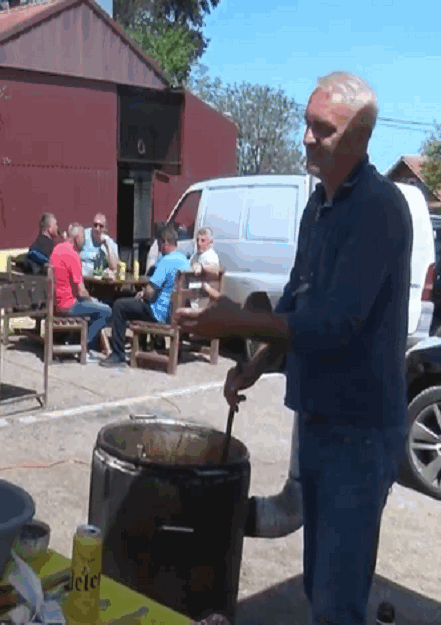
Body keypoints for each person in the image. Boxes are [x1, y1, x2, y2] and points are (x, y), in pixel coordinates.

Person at [178, 71, 409, 625]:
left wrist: (236, 321)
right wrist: (255, 364)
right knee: (317, 583)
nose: (307, 138)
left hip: (360, 430)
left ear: (359, 138)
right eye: (307, 124)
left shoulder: (378, 209)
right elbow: (298, 305)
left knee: (336, 598)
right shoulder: (318, 208)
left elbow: (334, 326)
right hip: (318, 415)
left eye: (322, 130)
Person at [100, 225, 189, 369]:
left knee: (119, 305)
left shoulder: (166, 261)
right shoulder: (184, 260)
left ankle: (118, 354)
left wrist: (143, 294)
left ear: (165, 241)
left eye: (160, 243)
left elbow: (150, 291)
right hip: (173, 313)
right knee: (134, 303)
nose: (159, 246)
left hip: (158, 314)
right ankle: (144, 345)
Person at [50, 222, 112, 359]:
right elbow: (81, 291)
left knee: (93, 308)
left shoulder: (56, 250)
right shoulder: (73, 255)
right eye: (83, 237)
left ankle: (75, 341)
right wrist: (92, 299)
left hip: (55, 305)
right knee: (106, 310)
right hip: (69, 306)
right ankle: (85, 346)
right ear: (78, 237)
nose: (84, 241)